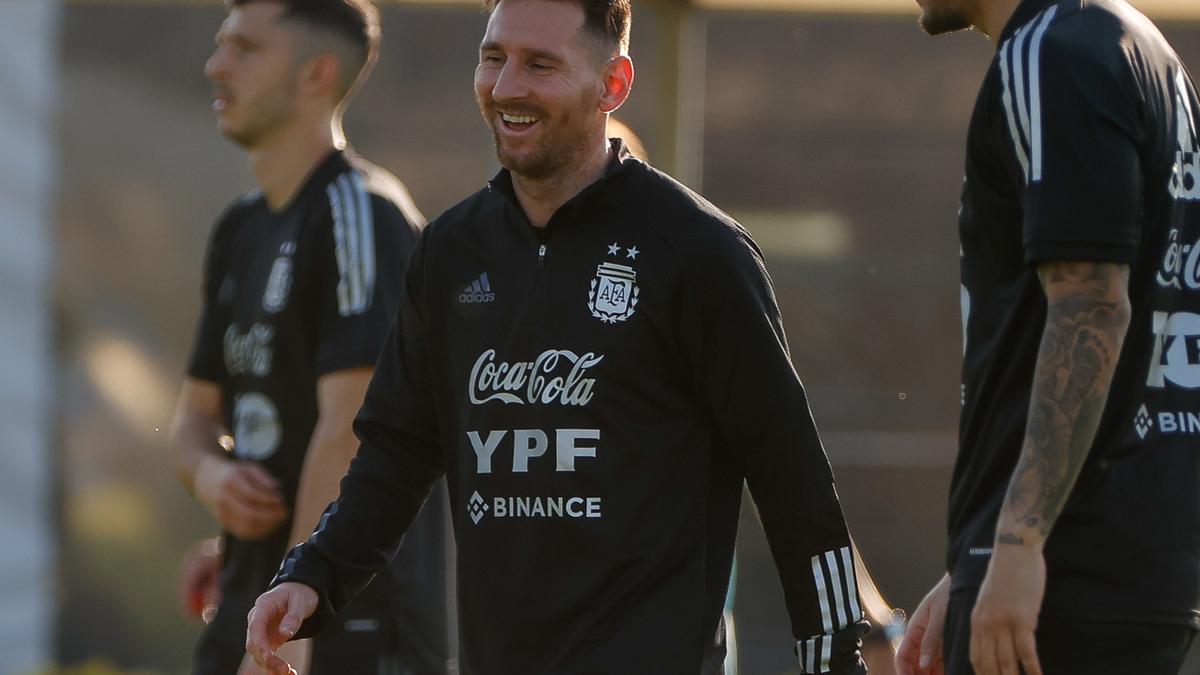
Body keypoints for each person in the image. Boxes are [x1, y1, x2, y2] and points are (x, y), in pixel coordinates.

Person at [245, 0, 870, 673]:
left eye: (540, 64)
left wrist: (833, 657)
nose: (507, 86)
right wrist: (313, 572)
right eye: (494, 58)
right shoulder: (449, 254)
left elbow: (794, 483)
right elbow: (394, 455)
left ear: (614, 84)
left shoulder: (698, 252)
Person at [896, 0, 1200, 674]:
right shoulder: (1142, 50)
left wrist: (1018, 541)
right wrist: (979, 551)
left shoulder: (1050, 53)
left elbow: (1092, 307)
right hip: (1130, 570)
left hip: (1064, 577)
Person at [170, 0, 452, 673]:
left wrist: (293, 625)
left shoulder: (364, 215)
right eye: (220, 46)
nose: (216, 66)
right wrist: (216, 479)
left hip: (347, 630)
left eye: (244, 48)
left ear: (315, 74)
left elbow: (350, 428)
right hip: (250, 612)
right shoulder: (238, 228)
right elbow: (193, 419)